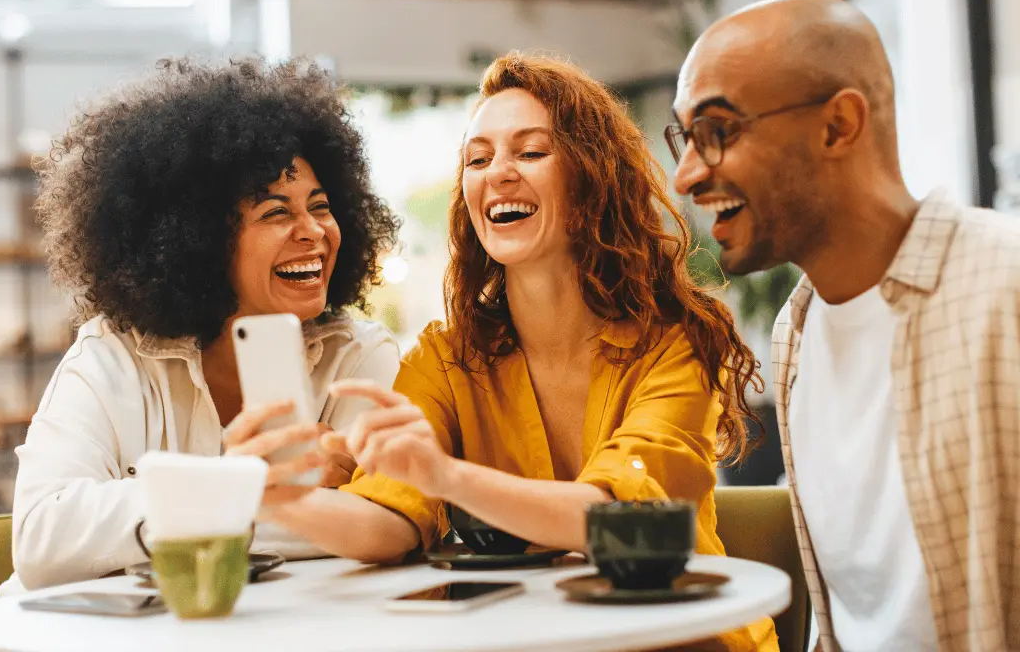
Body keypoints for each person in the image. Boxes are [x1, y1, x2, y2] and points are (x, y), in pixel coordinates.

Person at [269, 53, 779, 651]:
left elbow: (613, 520)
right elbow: (387, 520)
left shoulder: (672, 346)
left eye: (530, 152)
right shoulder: (444, 359)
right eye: (477, 159)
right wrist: (276, 497)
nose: (498, 174)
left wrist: (448, 477)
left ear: (592, 180)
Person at [668, 0, 1020, 651]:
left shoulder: (1004, 290)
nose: (686, 175)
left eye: (717, 131)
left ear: (837, 126)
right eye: (684, 138)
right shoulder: (796, 332)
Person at [0, 57, 401, 595]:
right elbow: (43, 542)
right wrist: (240, 484)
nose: (313, 232)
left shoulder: (358, 357)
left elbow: (383, 527)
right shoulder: (111, 356)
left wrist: (169, 507)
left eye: (321, 206)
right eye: (276, 213)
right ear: (202, 239)